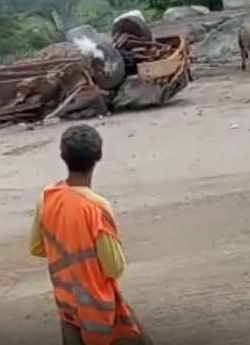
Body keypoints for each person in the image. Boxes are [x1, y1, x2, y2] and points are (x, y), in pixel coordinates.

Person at [29, 124, 153, 345]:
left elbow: (36, 247)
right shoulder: (96, 207)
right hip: (99, 307)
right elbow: (114, 266)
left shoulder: (47, 197)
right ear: (98, 157)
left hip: (67, 304)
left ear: (63, 156)